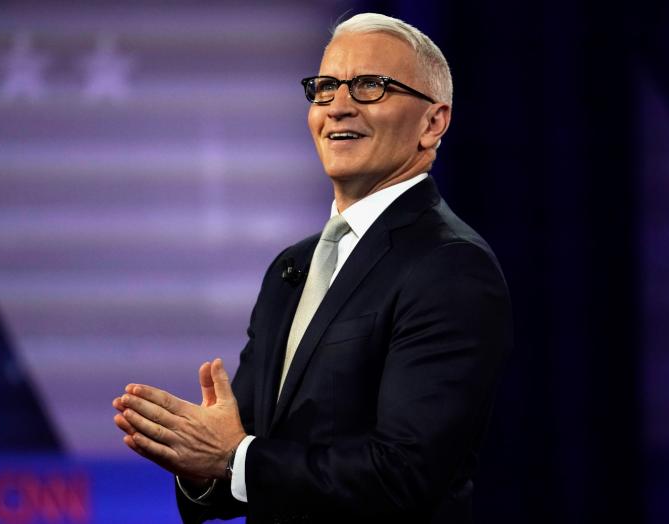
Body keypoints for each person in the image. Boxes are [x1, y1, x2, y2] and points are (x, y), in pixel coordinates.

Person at [113, 12, 512, 524]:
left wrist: (234, 458)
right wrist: (201, 466)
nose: (338, 106)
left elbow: (405, 473)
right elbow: (248, 458)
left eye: (370, 86)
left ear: (433, 122)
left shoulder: (451, 266)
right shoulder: (293, 267)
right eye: (325, 88)